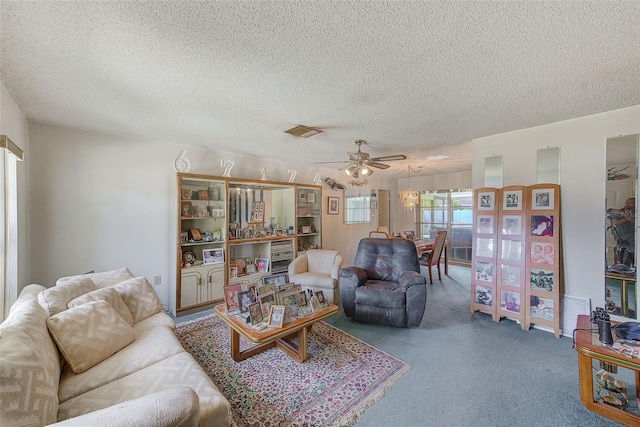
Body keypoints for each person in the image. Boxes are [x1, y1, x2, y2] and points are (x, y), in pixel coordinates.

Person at [612, 197, 635, 267]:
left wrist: (625, 216)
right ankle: (618, 268)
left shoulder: (636, 211)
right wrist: (627, 218)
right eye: (627, 202)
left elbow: (634, 220)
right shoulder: (621, 211)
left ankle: (630, 269)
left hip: (631, 236)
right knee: (618, 253)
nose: (627, 204)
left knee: (631, 254)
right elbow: (615, 222)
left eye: (630, 203)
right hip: (619, 236)